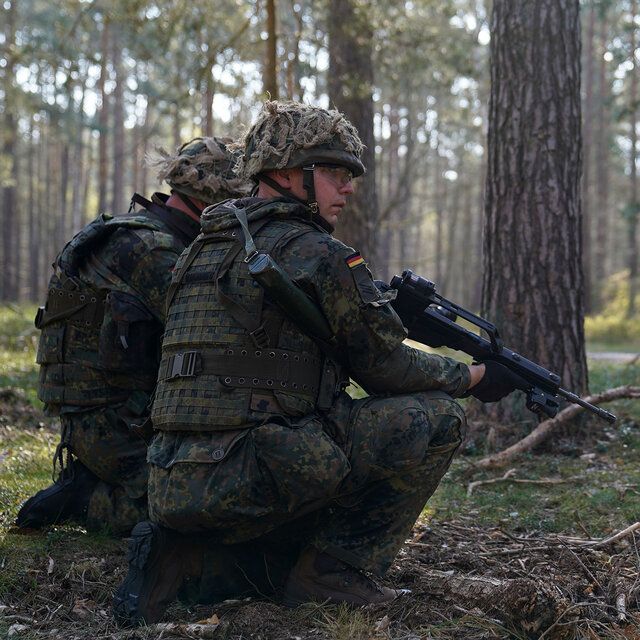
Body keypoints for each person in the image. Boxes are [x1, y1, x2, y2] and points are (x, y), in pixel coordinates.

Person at [113, 101, 525, 625]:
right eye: (332, 172)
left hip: (170, 479)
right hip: (251, 472)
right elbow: (386, 369)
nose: (347, 187)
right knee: (439, 418)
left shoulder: (201, 248)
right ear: (285, 173)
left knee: (304, 432)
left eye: (349, 174)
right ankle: (331, 572)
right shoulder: (319, 253)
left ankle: (194, 557)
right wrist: (471, 377)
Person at [16, 137, 250, 536]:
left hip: (116, 414)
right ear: (214, 198)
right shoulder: (151, 250)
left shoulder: (149, 233)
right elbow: (222, 331)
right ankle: (90, 499)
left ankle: (96, 479)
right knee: (206, 504)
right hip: (113, 422)